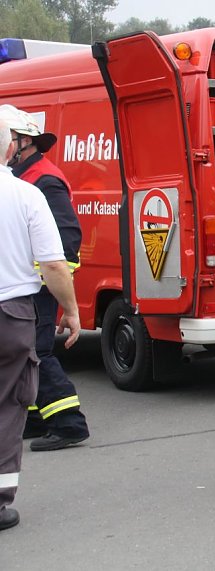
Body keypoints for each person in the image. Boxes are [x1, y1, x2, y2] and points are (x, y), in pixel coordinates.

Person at [0, 116, 81, 531]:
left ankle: (67, 423)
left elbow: (65, 245)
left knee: (39, 355)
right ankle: (44, 419)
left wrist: (59, 293)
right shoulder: (25, 184)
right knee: (20, 375)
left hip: (34, 290)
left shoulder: (44, 181)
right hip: (21, 296)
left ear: (25, 143)